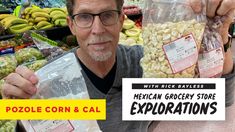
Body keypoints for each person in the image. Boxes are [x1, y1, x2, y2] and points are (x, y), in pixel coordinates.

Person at [1, 0, 235, 131]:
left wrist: (220, 32)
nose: (98, 29)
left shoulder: (145, 65)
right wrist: (21, 112)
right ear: (71, 25)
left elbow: (215, 99)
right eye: (84, 17)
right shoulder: (51, 82)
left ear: (122, 20)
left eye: (108, 15)